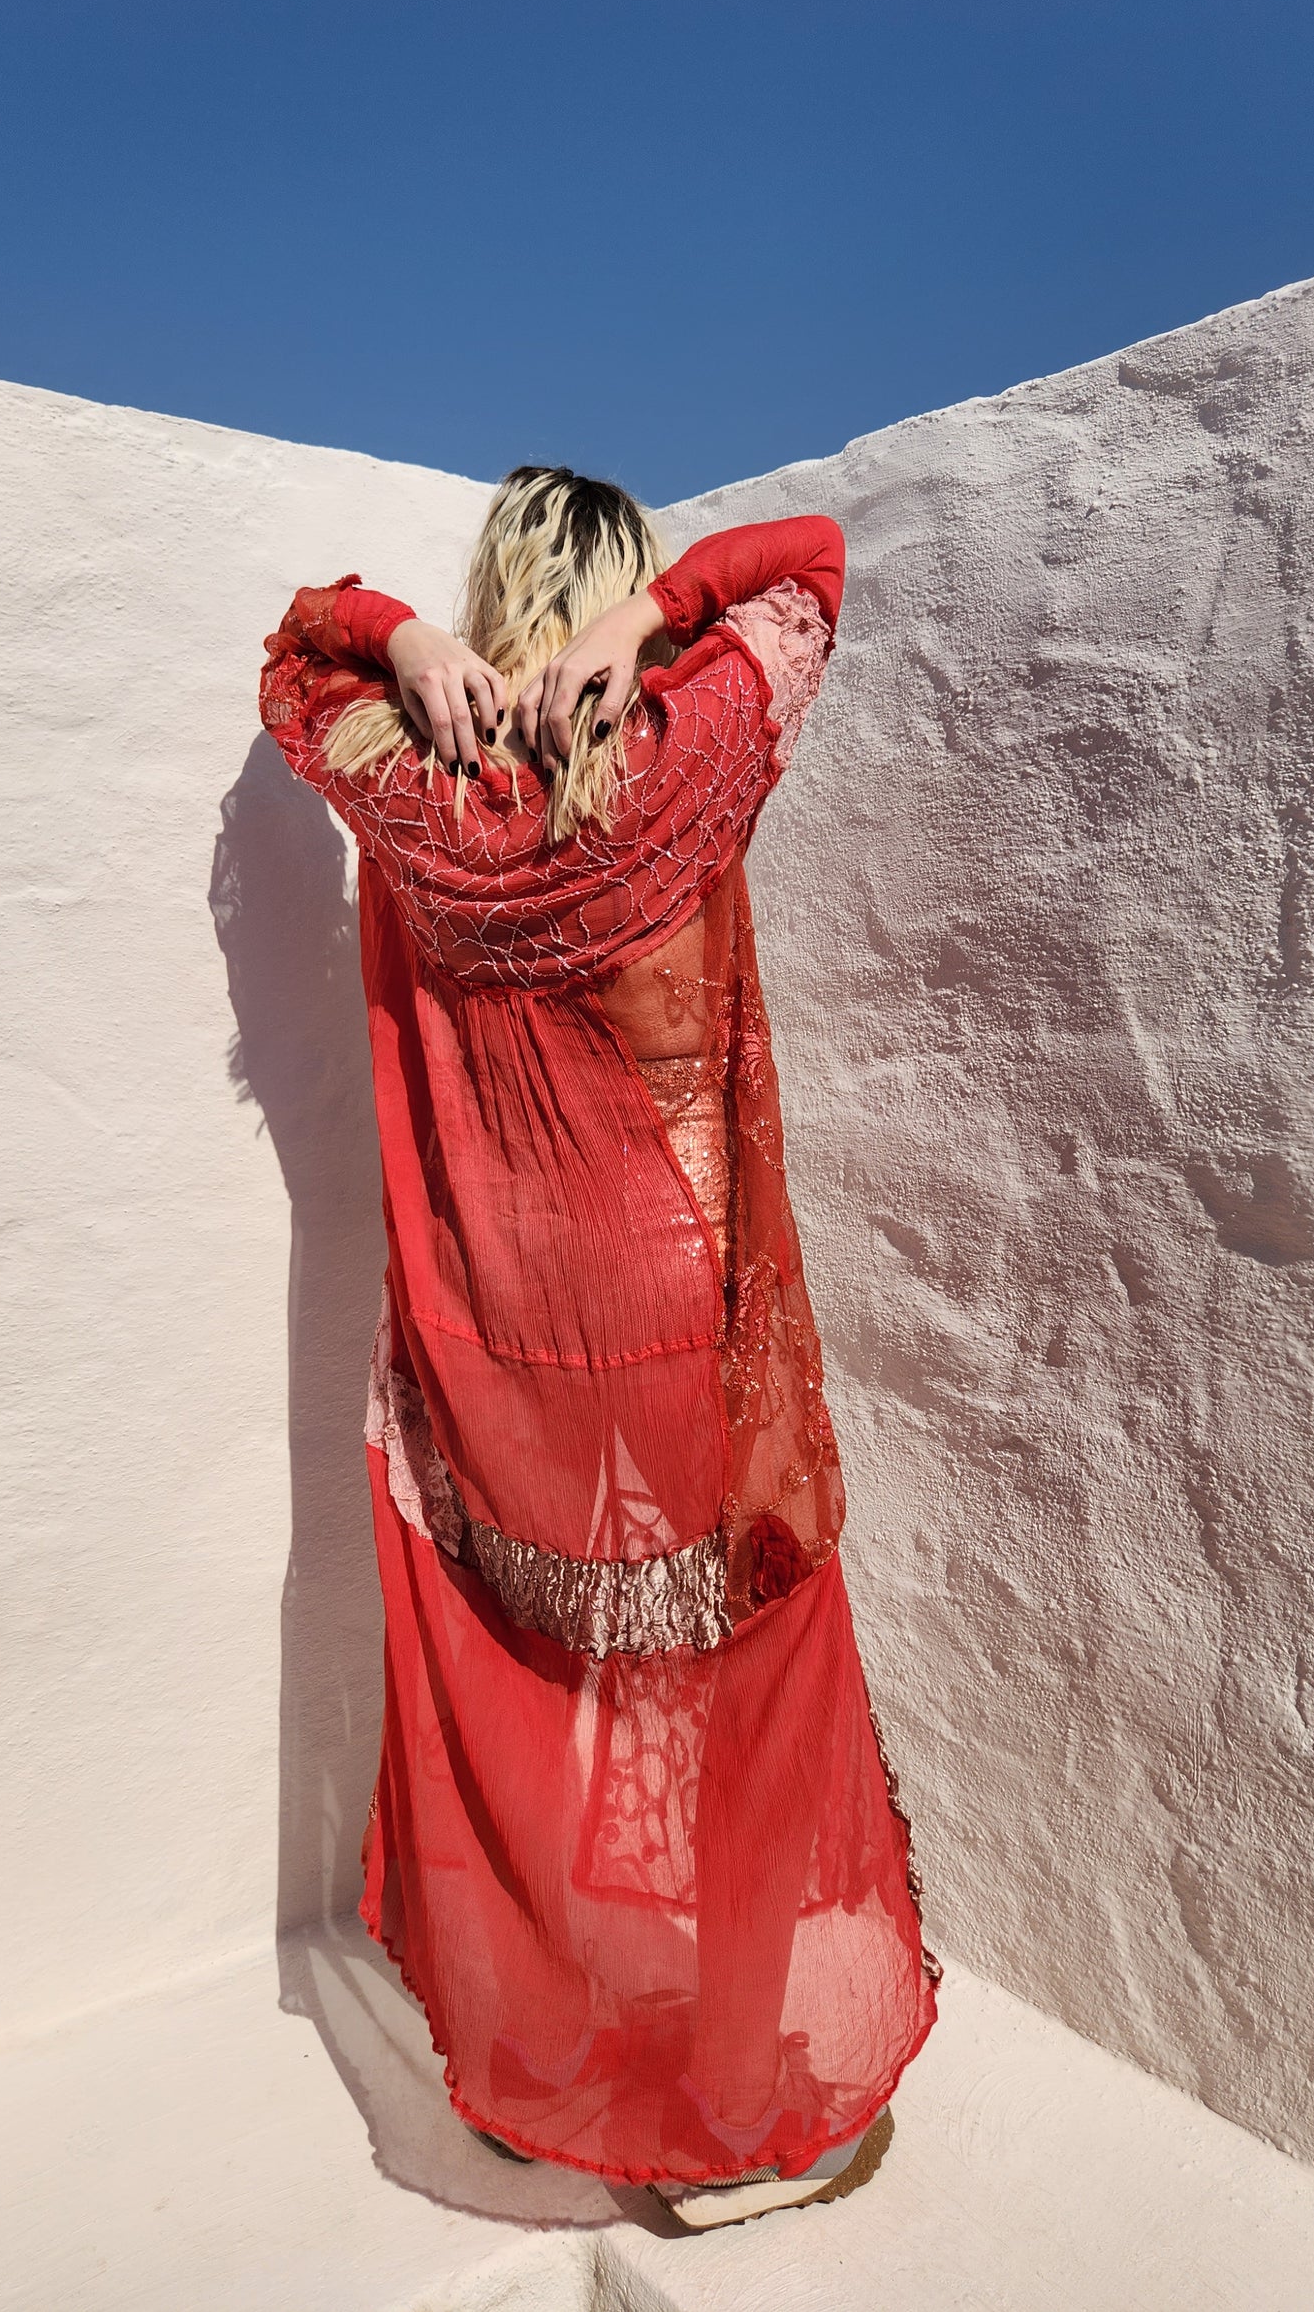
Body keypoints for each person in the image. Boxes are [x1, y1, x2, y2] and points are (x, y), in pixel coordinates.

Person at [259, 466, 941, 2227]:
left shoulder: (400, 774)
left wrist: (401, 638)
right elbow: (810, 562)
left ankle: (530, 2070)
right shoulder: (687, 749)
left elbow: (295, 653)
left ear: (495, 589)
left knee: (520, 1679)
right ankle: (738, 2096)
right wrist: (655, 618)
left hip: (489, 1314)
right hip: (668, 1298)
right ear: (618, 589)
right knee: (725, 1674)